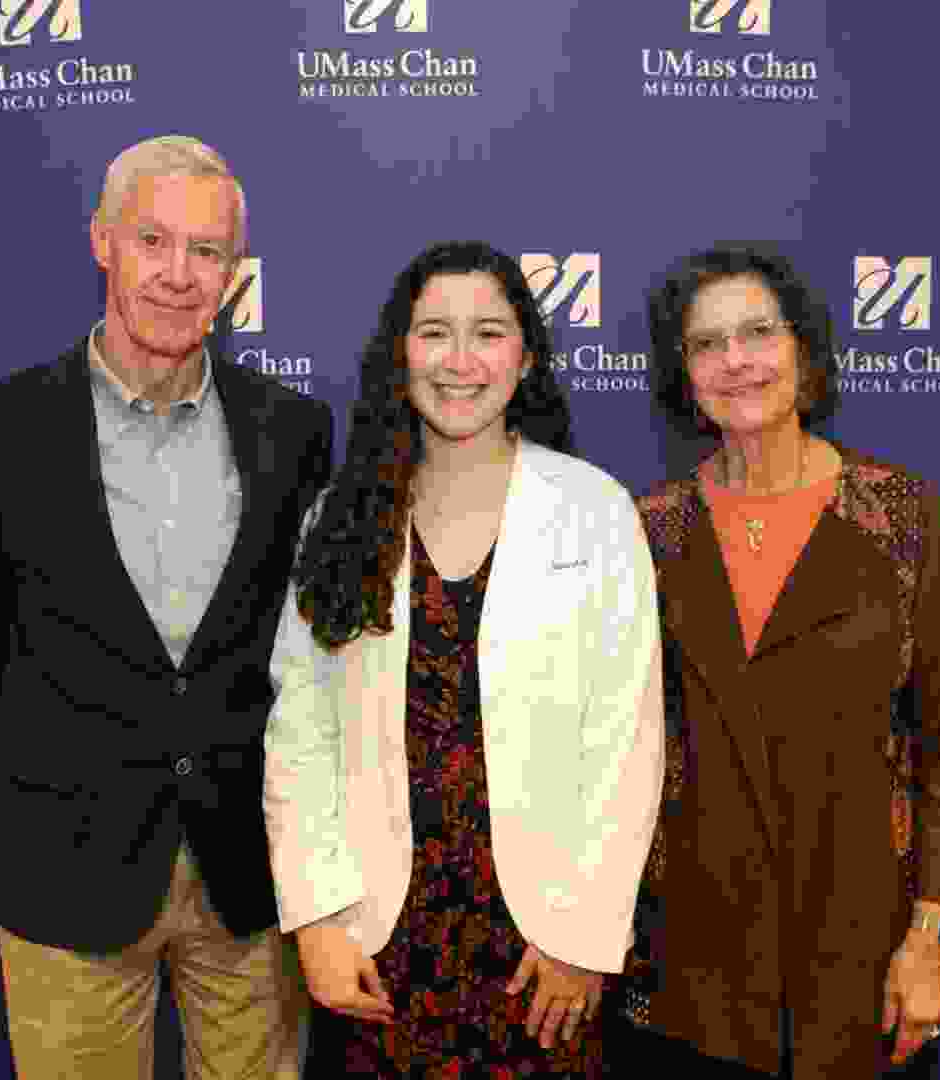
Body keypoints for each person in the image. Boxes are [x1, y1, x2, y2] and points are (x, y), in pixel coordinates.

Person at [0, 135, 330, 1079]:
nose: (178, 274)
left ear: (234, 272)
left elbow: (301, 653)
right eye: (153, 240)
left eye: (207, 252)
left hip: (249, 867)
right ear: (102, 242)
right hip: (67, 858)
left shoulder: (295, 432)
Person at [262, 240, 665, 1078]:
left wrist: (585, 939)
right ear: (398, 353)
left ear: (525, 357)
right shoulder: (343, 516)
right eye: (433, 333)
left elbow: (627, 746)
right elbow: (299, 736)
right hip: (376, 943)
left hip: (541, 951)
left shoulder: (594, 510)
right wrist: (317, 921)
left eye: (488, 332)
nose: (460, 360)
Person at [621, 245, 940, 1078]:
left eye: (757, 333)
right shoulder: (649, 531)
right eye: (707, 344)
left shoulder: (901, 514)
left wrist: (928, 937)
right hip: (693, 980)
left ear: (804, 350)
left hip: (862, 967)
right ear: (684, 375)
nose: (735, 361)